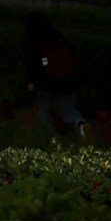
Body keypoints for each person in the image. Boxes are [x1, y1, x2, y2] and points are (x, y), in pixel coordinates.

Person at [24, 14, 88, 143]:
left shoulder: (34, 41)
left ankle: (52, 139)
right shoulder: (58, 38)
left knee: (45, 111)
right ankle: (81, 128)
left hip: (46, 83)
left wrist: (31, 83)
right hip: (67, 81)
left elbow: (34, 65)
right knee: (69, 110)